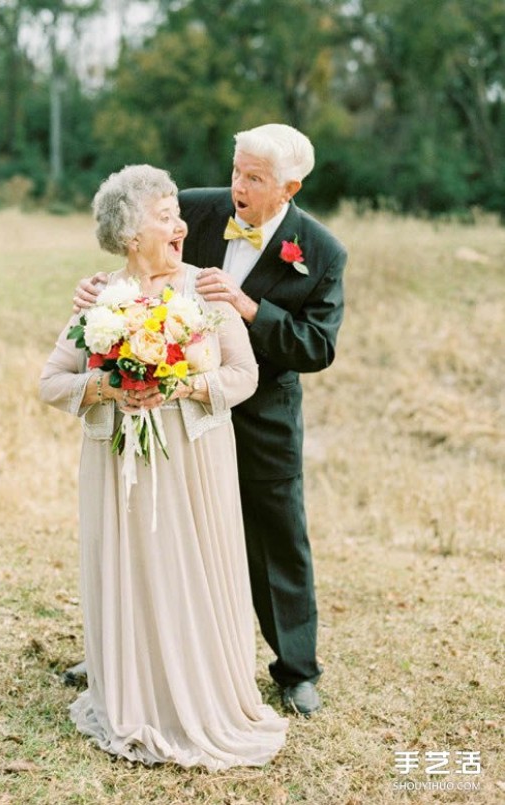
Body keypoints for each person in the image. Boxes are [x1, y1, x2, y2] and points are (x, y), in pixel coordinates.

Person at [73, 123, 348, 716]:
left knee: (277, 540)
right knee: (151, 527)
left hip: (261, 413)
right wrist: (99, 292)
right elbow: (136, 251)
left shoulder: (322, 252)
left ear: (289, 187)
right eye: (236, 170)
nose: (237, 187)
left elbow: (317, 348)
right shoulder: (194, 211)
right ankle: (123, 654)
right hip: (178, 414)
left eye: (254, 178)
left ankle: (296, 669)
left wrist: (249, 307)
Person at [39, 164, 287, 769]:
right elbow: (51, 381)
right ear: (130, 235)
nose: (180, 225)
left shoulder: (205, 288)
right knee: (137, 568)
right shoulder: (101, 298)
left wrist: (178, 387)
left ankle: (201, 698)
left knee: (188, 566)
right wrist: (107, 385)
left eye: (179, 212)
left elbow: (243, 375)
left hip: (192, 461)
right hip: (120, 461)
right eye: (165, 215)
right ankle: (136, 691)